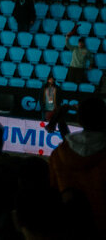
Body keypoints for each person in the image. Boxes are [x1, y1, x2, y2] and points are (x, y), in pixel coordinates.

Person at [47, 94, 106, 234]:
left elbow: (52, 191)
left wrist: (60, 120)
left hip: (66, 229)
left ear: (79, 120)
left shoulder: (59, 154)